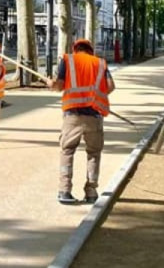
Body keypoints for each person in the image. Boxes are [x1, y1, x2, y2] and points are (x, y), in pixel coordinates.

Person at [49, 38, 115, 205]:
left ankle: (65, 191)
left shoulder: (68, 60)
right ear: (90, 50)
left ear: (76, 49)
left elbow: (59, 86)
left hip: (73, 115)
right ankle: (91, 191)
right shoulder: (100, 63)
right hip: (94, 115)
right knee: (93, 154)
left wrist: (51, 84)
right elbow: (110, 86)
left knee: (67, 151)